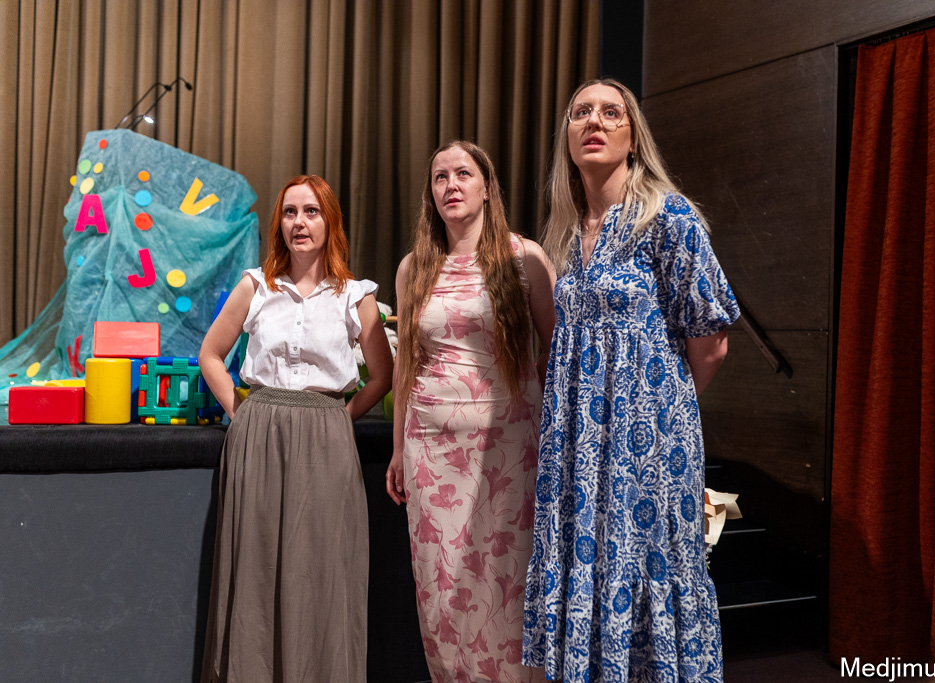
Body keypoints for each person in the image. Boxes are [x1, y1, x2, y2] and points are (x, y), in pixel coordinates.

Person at [521, 79, 740, 682]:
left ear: (633, 136)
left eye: (610, 112)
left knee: (649, 567)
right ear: (568, 137)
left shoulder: (669, 218)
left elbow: (712, 342)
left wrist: (657, 412)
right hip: (577, 447)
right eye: (581, 112)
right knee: (586, 566)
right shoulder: (566, 233)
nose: (594, 121)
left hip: (648, 446)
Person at [198, 175, 393, 683]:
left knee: (322, 565)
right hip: (260, 435)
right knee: (258, 562)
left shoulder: (355, 295)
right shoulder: (256, 285)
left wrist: (340, 417)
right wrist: (240, 411)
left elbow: (383, 375)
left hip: (327, 439)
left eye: (311, 212)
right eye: (289, 212)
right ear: (278, 223)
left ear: (331, 222)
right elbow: (210, 354)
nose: (299, 223)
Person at [386, 141, 556, 682]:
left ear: (486, 187)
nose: (451, 185)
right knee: (442, 589)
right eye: (440, 177)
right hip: (431, 455)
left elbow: (556, 349)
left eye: (463, 174)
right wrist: (397, 448)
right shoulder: (414, 268)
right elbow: (406, 365)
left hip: (507, 452)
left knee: (505, 582)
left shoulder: (524, 257)